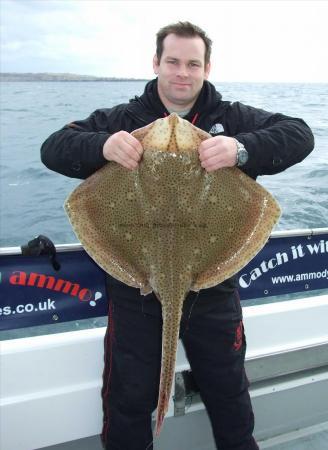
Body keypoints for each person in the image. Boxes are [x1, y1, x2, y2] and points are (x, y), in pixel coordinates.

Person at [41, 21, 314, 450]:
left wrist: (240, 149)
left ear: (207, 68)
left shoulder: (231, 118)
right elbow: (55, 147)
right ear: (156, 63)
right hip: (137, 286)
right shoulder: (123, 119)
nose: (182, 72)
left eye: (193, 63)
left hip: (212, 283)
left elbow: (300, 134)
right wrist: (103, 147)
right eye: (173, 62)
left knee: (228, 392)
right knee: (129, 398)